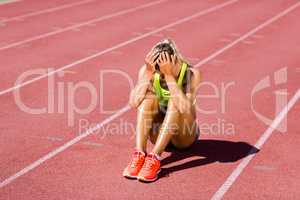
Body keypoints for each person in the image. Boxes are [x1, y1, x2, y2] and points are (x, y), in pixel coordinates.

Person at [123, 39, 201, 182]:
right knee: (147, 98)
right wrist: (147, 73)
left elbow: (185, 108)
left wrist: (170, 76)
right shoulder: (150, 71)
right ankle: (139, 153)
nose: (160, 73)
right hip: (158, 133)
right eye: (157, 69)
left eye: (162, 68)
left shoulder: (191, 73)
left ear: (173, 60)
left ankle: (155, 157)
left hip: (184, 135)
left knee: (175, 101)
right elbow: (134, 103)